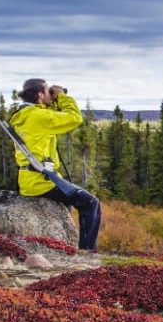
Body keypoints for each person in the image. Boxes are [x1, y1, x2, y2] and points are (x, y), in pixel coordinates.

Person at [11, 78, 101, 251]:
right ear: (39, 94)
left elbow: (48, 115)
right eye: (47, 91)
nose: (49, 94)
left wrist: (51, 99)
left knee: (66, 203)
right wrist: (62, 97)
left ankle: (63, 243)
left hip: (30, 180)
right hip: (42, 182)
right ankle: (88, 252)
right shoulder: (39, 116)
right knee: (90, 203)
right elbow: (74, 118)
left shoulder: (24, 115)